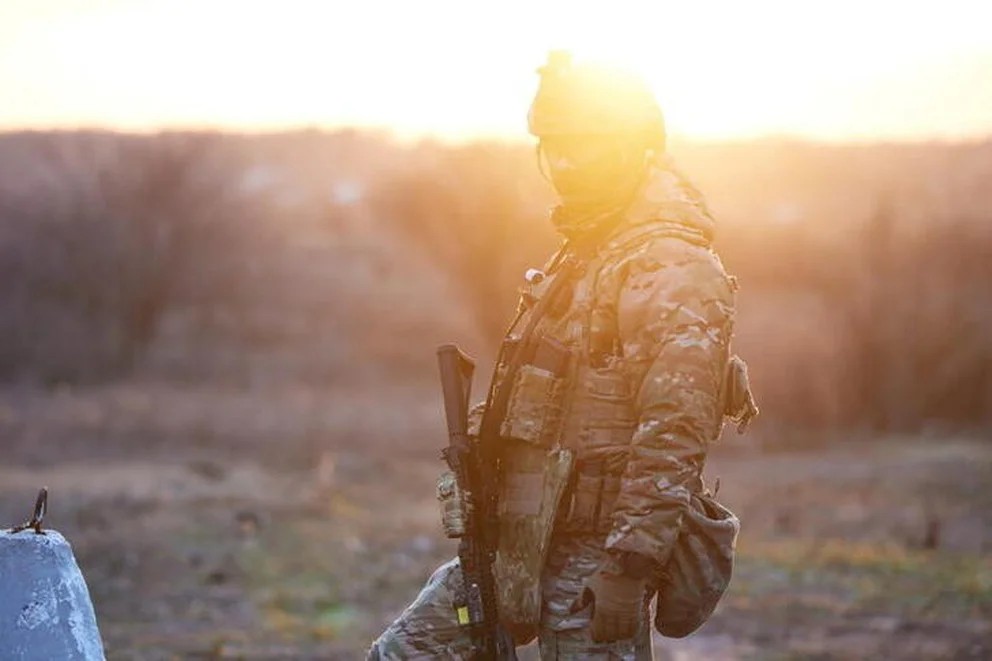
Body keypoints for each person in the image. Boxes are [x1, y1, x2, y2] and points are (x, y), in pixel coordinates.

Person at [367, 51, 757, 660]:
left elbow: (674, 430)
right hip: (521, 536)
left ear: (634, 149)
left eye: (588, 147)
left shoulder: (670, 264)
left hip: (598, 551)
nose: (569, 165)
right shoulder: (588, 251)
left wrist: (630, 566)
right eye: (557, 149)